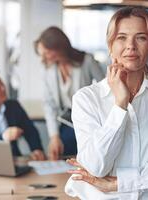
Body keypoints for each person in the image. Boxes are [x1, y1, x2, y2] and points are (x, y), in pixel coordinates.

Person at [64, 6, 148, 199]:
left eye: (141, 37)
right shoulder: (86, 98)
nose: (130, 46)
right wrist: (120, 105)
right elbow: (96, 166)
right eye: (121, 37)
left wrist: (119, 183)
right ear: (110, 45)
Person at [34, 27, 104, 160]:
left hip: (89, 121)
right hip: (66, 123)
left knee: (90, 160)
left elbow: (106, 89)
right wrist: (54, 136)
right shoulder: (48, 69)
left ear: (59, 47)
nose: (44, 57)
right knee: (62, 156)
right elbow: (49, 105)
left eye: (47, 52)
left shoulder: (87, 61)